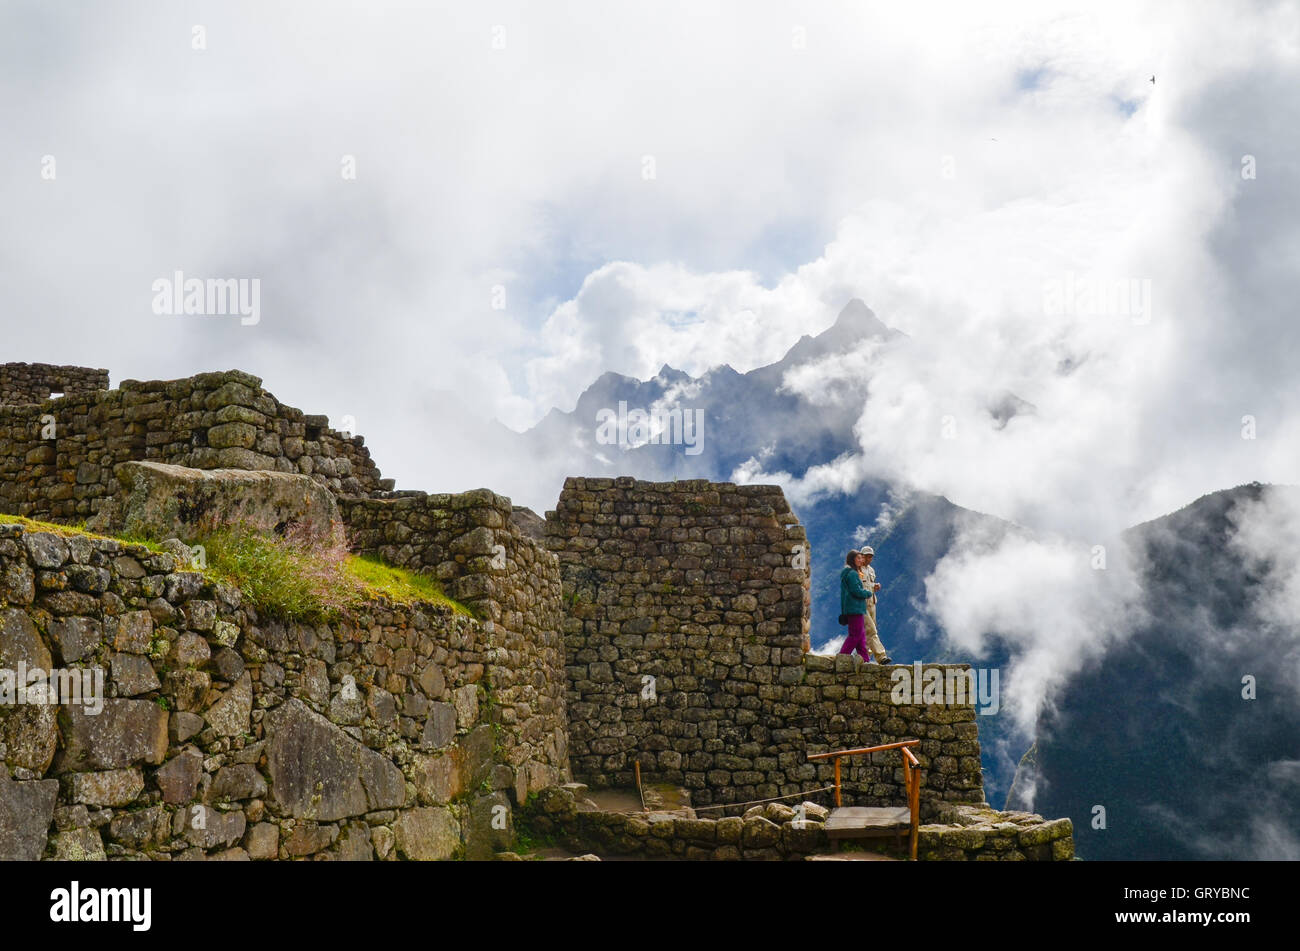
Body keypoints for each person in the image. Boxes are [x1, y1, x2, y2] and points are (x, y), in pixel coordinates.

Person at [839, 550, 877, 663]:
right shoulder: (852, 574)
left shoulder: (848, 573)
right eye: (858, 558)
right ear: (852, 560)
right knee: (855, 635)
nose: (861, 560)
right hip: (855, 608)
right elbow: (856, 591)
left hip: (853, 608)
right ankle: (842, 656)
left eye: (862, 558)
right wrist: (868, 593)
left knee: (861, 636)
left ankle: (865, 660)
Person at [856, 546, 891, 664]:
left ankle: (862, 657)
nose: (869, 558)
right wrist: (872, 587)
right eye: (866, 556)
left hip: (872, 603)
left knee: (868, 631)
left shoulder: (871, 570)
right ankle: (881, 656)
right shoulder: (857, 569)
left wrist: (875, 586)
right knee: (871, 630)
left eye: (870, 556)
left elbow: (868, 585)